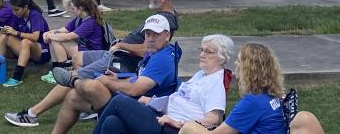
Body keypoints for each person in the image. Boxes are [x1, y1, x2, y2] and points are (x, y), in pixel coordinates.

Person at [3, 0, 178, 129]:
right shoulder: (160, 16)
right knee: (78, 58)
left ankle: (32, 113)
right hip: (115, 53)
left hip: (123, 58)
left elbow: (146, 49)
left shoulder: (166, 21)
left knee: (73, 77)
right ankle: (86, 96)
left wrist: (121, 45)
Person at [49, 14, 179, 134]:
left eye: (155, 35)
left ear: (167, 35)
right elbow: (139, 80)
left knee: (94, 87)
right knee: (73, 97)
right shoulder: (156, 52)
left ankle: (74, 80)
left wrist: (109, 82)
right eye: (147, 34)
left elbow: (135, 90)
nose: (150, 39)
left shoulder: (161, 59)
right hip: (141, 103)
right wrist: (116, 79)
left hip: (148, 109)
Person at [93, 34, 235, 134]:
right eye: (202, 50)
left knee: (119, 102)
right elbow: (182, 99)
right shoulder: (201, 75)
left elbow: (212, 120)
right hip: (161, 115)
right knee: (112, 123)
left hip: (171, 128)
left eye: (208, 52)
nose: (202, 54)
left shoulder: (216, 83)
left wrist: (177, 123)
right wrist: (153, 101)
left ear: (222, 57)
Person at [180, 43, 287, 134]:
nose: (236, 63)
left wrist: (188, 126)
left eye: (239, 61)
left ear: (249, 69)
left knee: (189, 128)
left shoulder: (253, 101)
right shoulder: (272, 94)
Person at [40, 0, 105, 84]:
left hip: (92, 52)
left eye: (73, 8)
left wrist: (50, 36)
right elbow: (63, 30)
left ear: (80, 8)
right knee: (55, 38)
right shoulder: (79, 19)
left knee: (57, 39)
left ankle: (64, 71)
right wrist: (47, 33)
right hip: (83, 47)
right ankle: (55, 70)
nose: (71, 11)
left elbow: (68, 36)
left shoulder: (90, 22)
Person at [0, 0, 51, 87]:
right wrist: (7, 30)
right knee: (3, 37)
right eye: (13, 10)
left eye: (17, 10)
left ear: (26, 7)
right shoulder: (18, 16)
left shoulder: (35, 15)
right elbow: (13, 31)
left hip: (42, 51)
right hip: (27, 49)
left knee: (26, 41)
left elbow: (35, 37)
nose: (14, 12)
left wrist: (17, 33)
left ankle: (17, 77)